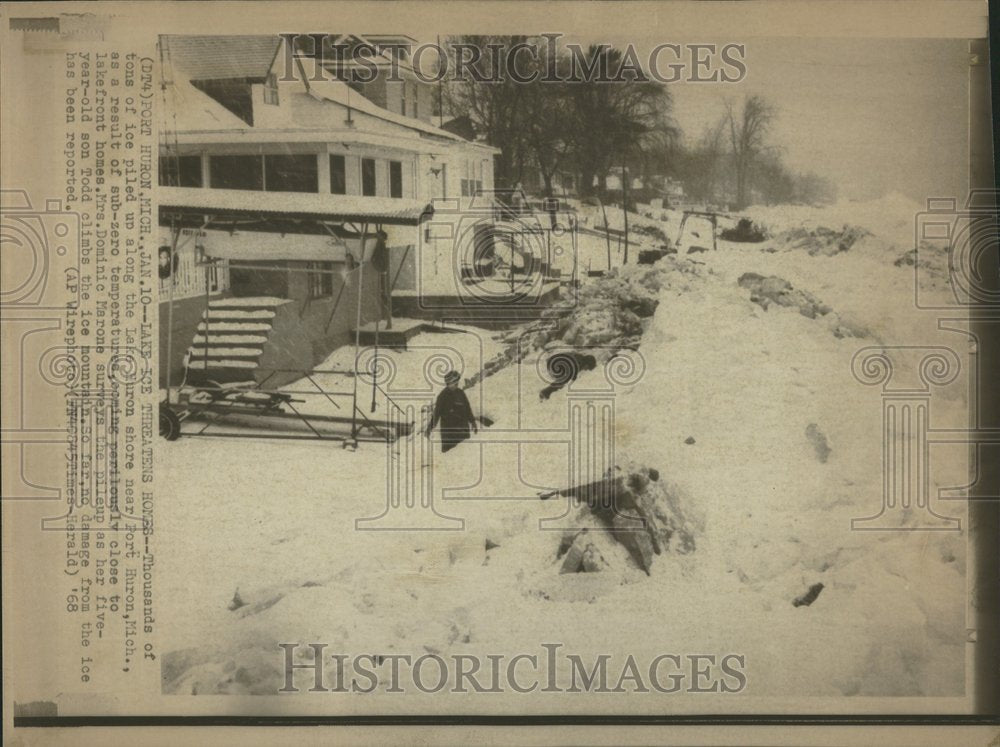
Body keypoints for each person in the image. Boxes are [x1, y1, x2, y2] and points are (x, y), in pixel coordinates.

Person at [424, 370, 477, 452]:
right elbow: (436, 414)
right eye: (454, 382)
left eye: (457, 382)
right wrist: (429, 429)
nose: (457, 384)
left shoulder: (460, 393)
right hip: (449, 433)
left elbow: (467, 409)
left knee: (465, 454)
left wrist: (473, 422)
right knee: (451, 456)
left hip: (463, 430)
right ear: (448, 383)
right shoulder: (442, 396)